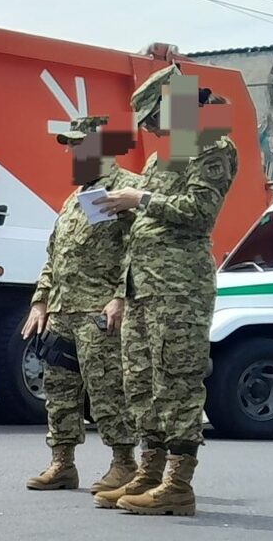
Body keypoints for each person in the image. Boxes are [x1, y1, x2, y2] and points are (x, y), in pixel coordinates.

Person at [95, 66, 237, 516]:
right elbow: (144, 231)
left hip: (181, 289)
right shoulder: (163, 158)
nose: (152, 129)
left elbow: (198, 211)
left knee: (176, 380)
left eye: (155, 116)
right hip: (144, 287)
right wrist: (120, 289)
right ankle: (150, 473)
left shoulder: (214, 146)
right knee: (141, 382)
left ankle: (178, 485)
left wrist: (140, 200)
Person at [23, 115, 141, 493]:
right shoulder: (75, 199)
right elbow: (54, 255)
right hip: (63, 312)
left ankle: (124, 464)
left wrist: (120, 297)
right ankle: (62, 463)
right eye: (71, 147)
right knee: (58, 390)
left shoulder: (129, 190)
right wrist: (40, 302)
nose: (73, 153)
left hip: (98, 311)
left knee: (107, 391)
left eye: (80, 145)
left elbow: (142, 249)